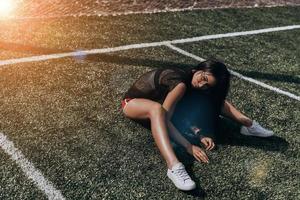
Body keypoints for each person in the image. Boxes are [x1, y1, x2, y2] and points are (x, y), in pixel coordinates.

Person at [121, 59, 274, 191]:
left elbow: (180, 113)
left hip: (161, 105)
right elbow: (166, 120)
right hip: (133, 103)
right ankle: (173, 166)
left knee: (209, 98)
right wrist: (188, 146)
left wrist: (199, 133)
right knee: (157, 111)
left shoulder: (191, 84)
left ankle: (247, 123)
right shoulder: (180, 84)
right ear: (197, 69)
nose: (201, 85)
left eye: (207, 84)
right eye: (203, 77)